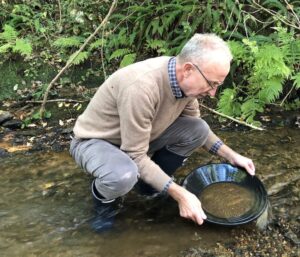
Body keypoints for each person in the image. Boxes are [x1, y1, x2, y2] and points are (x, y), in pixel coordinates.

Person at [70, 33, 255, 231]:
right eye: (211, 84)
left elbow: (197, 127)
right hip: (96, 142)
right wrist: (180, 193)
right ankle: (103, 207)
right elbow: (134, 155)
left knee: (197, 129)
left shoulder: (184, 83)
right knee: (123, 174)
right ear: (188, 70)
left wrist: (232, 156)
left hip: (138, 139)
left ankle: (148, 186)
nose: (212, 93)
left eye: (218, 85)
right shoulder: (142, 88)